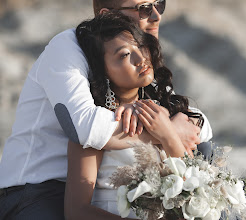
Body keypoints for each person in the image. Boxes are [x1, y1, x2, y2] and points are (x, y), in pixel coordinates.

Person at [0, 0, 212, 219]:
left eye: (159, 4)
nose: (156, 16)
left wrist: (174, 124)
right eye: (144, 8)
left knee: (204, 152)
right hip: (37, 189)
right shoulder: (68, 47)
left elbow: (195, 120)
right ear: (106, 14)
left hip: (94, 189)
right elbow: (82, 128)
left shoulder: (140, 61)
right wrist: (163, 131)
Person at [65, 11, 202, 219]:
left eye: (139, 45)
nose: (141, 58)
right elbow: (76, 211)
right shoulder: (97, 127)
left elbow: (194, 185)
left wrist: (168, 134)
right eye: (124, 55)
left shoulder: (163, 113)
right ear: (103, 71)